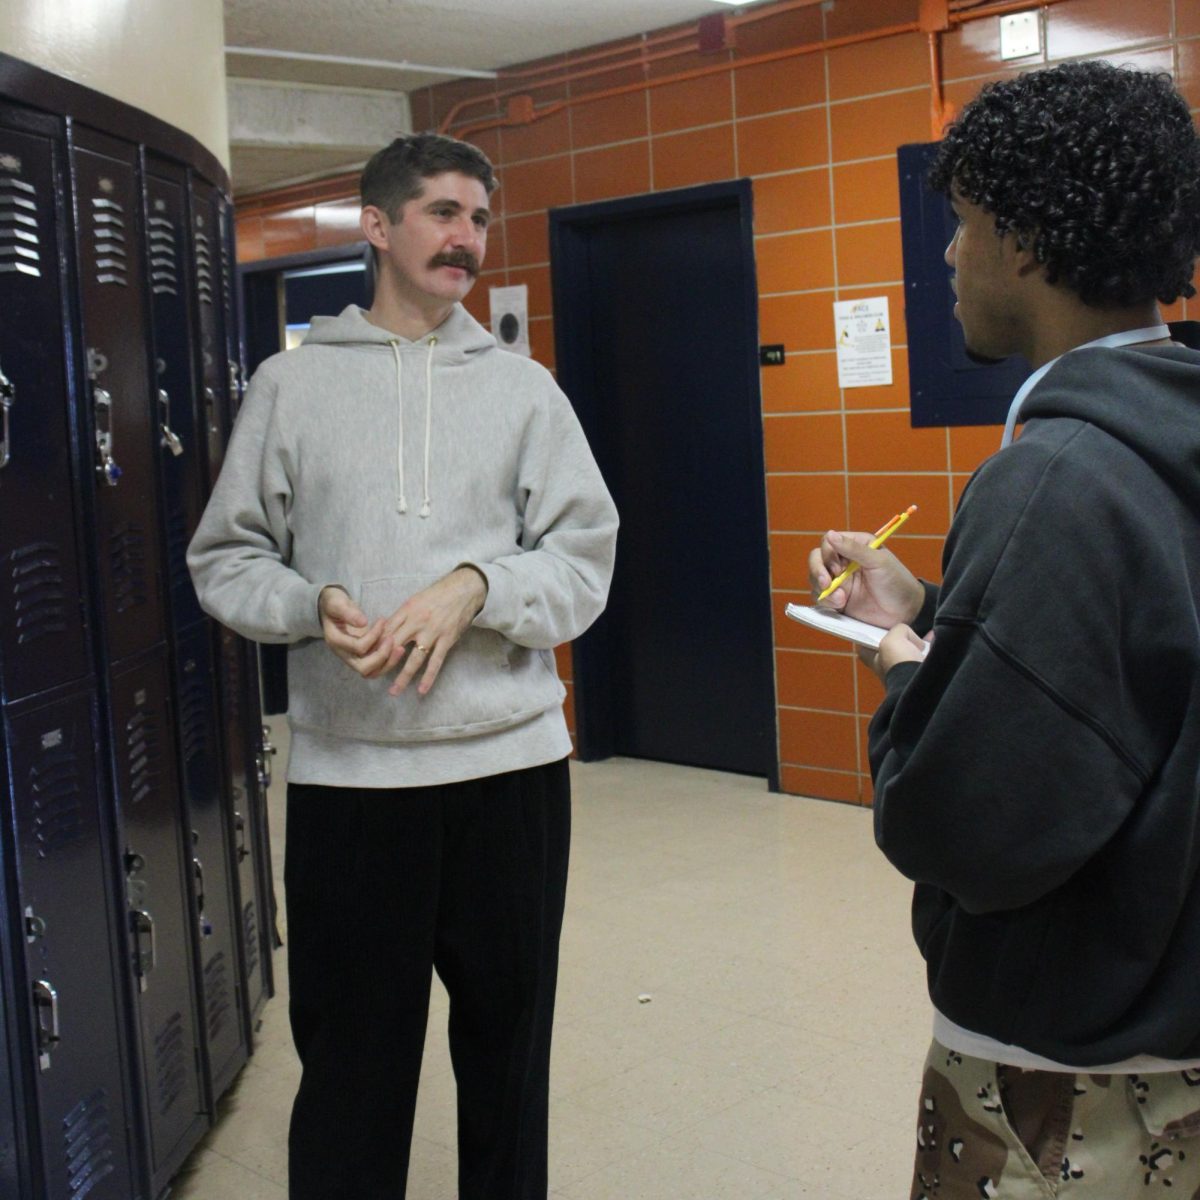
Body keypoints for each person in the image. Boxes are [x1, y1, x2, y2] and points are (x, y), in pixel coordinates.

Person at [188, 132, 618, 1200]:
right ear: (376, 226)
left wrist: (477, 585)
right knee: (351, 1067)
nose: (465, 238)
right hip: (353, 778)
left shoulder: (526, 392)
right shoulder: (290, 389)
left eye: (478, 216)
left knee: (509, 1055)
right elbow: (225, 557)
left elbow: (582, 562)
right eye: (441, 212)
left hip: (510, 775)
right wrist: (308, 602)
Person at [808, 62, 1200, 1197]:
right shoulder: (1161, 448)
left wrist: (905, 670)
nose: (948, 257)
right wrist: (937, 613)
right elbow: (1142, 669)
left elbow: (968, 826)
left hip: (1075, 1089)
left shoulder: (1055, 481)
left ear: (1026, 242)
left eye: (965, 224)